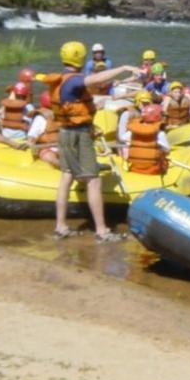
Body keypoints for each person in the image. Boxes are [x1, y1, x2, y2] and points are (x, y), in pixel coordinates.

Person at [40, 40, 132, 243]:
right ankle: (102, 231)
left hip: (65, 132)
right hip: (78, 135)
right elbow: (95, 79)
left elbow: (85, 98)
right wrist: (124, 68)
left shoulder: (62, 79)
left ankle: (61, 226)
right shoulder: (74, 80)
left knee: (66, 176)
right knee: (93, 179)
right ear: (80, 58)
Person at [120, 103, 170, 175]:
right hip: (153, 169)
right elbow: (167, 150)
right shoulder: (160, 133)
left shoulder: (134, 131)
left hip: (135, 167)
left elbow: (123, 138)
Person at [26, 91, 61, 168]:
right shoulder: (40, 119)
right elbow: (31, 140)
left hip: (62, 147)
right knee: (50, 157)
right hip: (46, 148)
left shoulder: (61, 116)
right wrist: (32, 145)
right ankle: (65, 168)